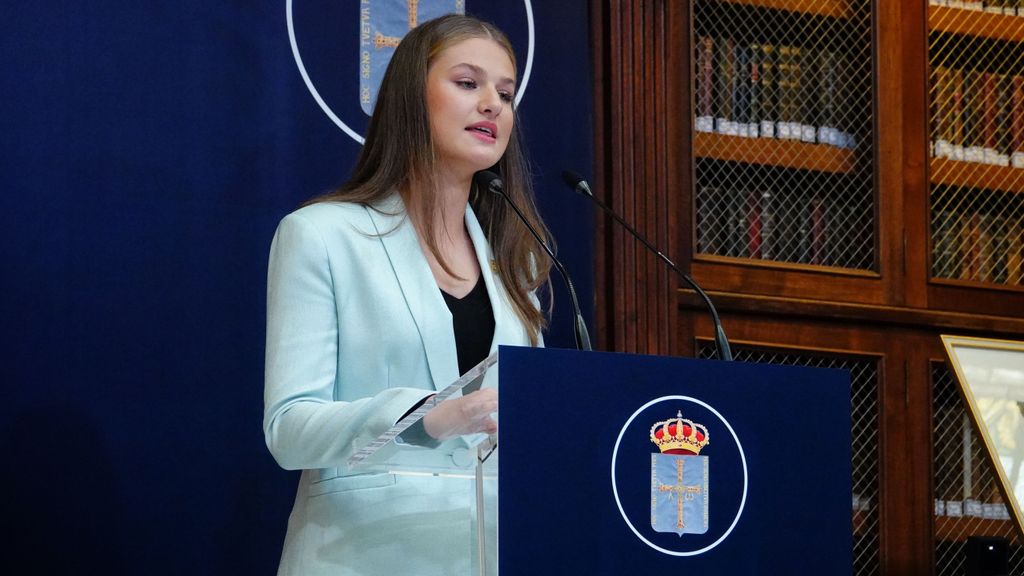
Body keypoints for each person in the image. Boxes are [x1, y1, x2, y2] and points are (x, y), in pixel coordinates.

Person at [263, 13, 551, 576]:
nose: (492, 103)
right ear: (409, 99)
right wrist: (428, 416)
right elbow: (290, 429)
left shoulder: (520, 258)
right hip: (364, 552)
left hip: (493, 550)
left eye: (506, 93)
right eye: (468, 83)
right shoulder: (322, 235)